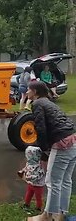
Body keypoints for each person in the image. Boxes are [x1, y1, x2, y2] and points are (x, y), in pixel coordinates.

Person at [27, 81, 76, 221]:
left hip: (61, 144)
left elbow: (41, 128)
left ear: (35, 92)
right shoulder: (48, 102)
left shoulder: (37, 104)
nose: (27, 92)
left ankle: (47, 216)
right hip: (72, 139)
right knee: (66, 180)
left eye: (29, 90)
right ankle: (60, 214)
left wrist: (44, 150)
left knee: (53, 181)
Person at [18, 146, 46, 212]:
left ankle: (39, 207)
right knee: (28, 194)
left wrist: (30, 178)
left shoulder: (40, 165)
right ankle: (26, 204)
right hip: (30, 183)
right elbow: (26, 168)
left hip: (38, 185)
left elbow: (41, 174)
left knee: (38, 197)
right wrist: (22, 171)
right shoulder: (29, 163)